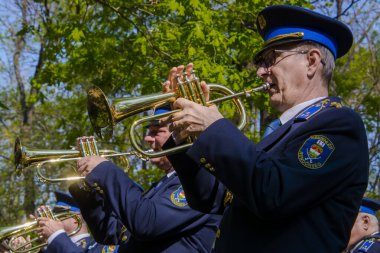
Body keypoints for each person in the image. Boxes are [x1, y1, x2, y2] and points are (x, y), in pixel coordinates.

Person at [160, 4, 369, 253]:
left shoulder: (340, 124)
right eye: (261, 62)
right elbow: (213, 199)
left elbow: (274, 193)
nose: (260, 71)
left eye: (271, 60)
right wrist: (183, 134)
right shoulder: (283, 132)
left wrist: (214, 127)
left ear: (312, 62)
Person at [70, 106, 221, 252]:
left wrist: (105, 170)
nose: (147, 138)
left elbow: (146, 224)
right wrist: (87, 187)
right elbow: (113, 233)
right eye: (149, 132)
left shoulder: (196, 184)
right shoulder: (162, 184)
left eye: (157, 131)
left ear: (182, 133)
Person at [37, 191, 119, 253]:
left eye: (61, 213)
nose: (54, 218)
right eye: (55, 213)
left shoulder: (103, 248)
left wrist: (57, 236)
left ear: (78, 217)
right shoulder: (51, 248)